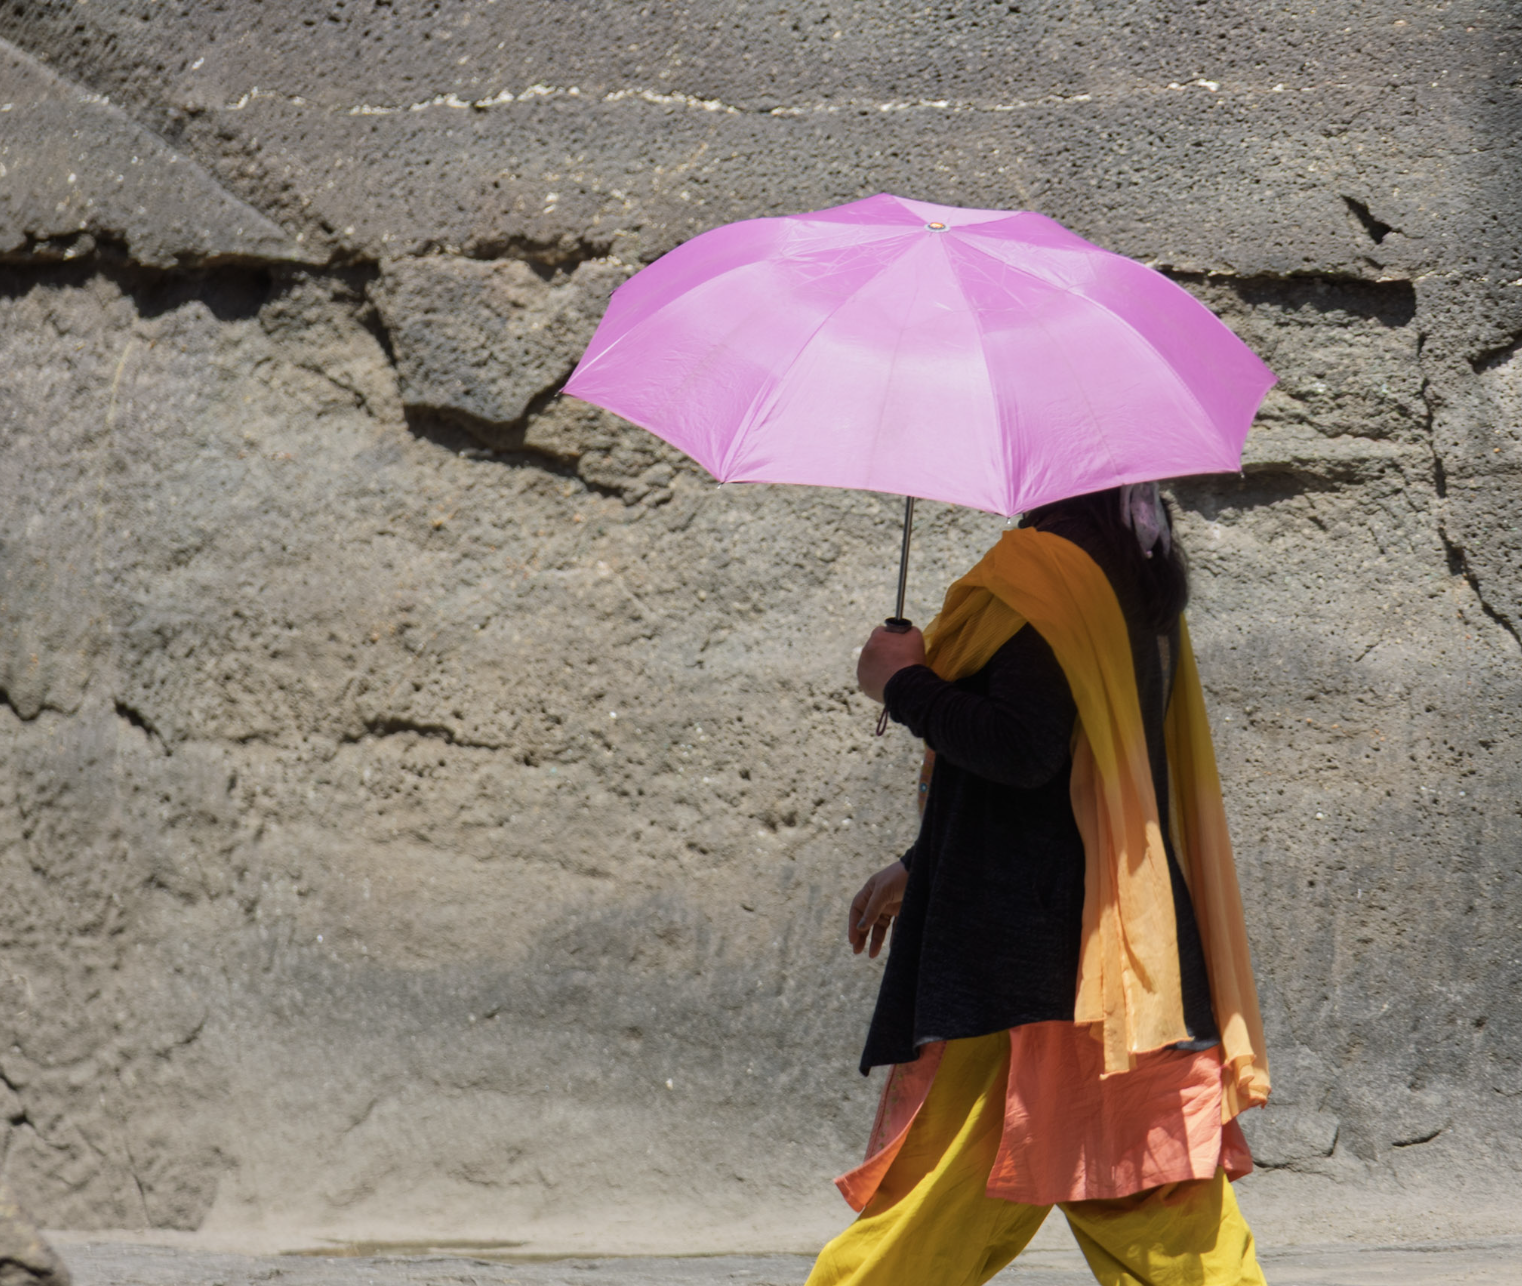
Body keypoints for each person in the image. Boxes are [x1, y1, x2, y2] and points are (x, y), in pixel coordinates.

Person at [806, 483, 1271, 1286]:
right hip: (1117, 949)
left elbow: (1023, 750)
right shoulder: (1134, 572)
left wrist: (901, 685)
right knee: (1157, 1198)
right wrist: (920, 865)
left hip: (1022, 963)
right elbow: (1085, 772)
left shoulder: (1040, 572)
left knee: (937, 1202)